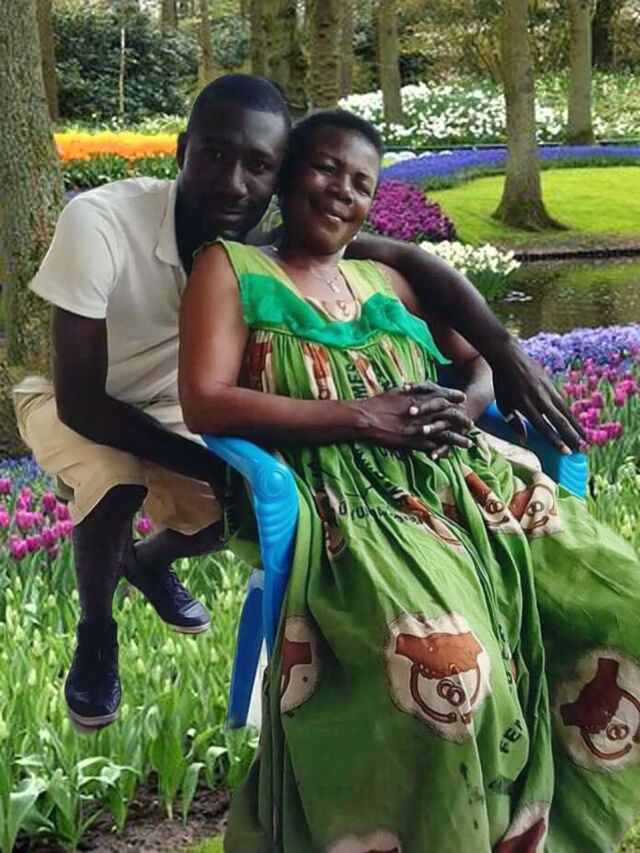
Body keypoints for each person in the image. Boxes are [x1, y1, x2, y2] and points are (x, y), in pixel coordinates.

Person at [14, 72, 581, 735]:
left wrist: (502, 352)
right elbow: (82, 400)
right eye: (214, 155)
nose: (233, 183)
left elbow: (401, 257)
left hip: (172, 402)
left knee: (252, 502)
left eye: (258, 166)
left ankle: (149, 560)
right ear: (182, 151)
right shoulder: (101, 221)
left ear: (279, 177)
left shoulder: (260, 239)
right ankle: (96, 633)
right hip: (75, 398)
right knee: (118, 476)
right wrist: (215, 464)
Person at [179, 110, 640, 852]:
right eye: (327, 168)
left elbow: (476, 363)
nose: (342, 190)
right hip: (349, 505)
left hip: (470, 483)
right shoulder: (231, 268)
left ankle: (553, 825)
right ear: (290, 174)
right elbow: (204, 400)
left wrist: (467, 405)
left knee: (625, 603)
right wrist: (363, 417)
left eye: (361, 183)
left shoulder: (384, 277)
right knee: (453, 675)